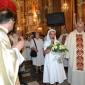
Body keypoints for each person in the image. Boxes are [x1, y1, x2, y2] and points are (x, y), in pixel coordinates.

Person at [0, 0, 24, 85]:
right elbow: (5, 64)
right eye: (14, 22)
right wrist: (18, 47)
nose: (13, 24)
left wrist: (14, 45)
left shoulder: (2, 33)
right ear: (10, 21)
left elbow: (3, 55)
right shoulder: (1, 34)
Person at [65, 19, 85, 85]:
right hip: (74, 58)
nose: (80, 28)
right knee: (74, 70)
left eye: (82, 27)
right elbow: (67, 45)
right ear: (76, 26)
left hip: (83, 59)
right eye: (79, 27)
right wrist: (67, 55)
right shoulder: (71, 35)